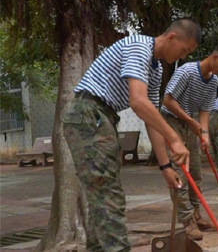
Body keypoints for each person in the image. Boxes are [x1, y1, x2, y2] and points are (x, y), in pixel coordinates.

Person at [62, 19, 201, 252]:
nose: (181, 56)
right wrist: (175, 139)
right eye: (184, 50)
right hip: (89, 114)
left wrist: (165, 166)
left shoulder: (155, 70)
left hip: (100, 118)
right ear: (172, 37)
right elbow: (138, 102)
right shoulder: (139, 46)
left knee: (102, 197)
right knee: (108, 197)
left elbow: (151, 118)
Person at [161, 41, 218, 240]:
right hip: (171, 121)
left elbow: (205, 110)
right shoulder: (186, 71)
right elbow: (168, 100)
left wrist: (204, 135)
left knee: (195, 171)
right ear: (216, 56)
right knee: (180, 173)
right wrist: (190, 120)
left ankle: (196, 214)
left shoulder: (214, 81)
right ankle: (187, 221)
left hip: (190, 123)